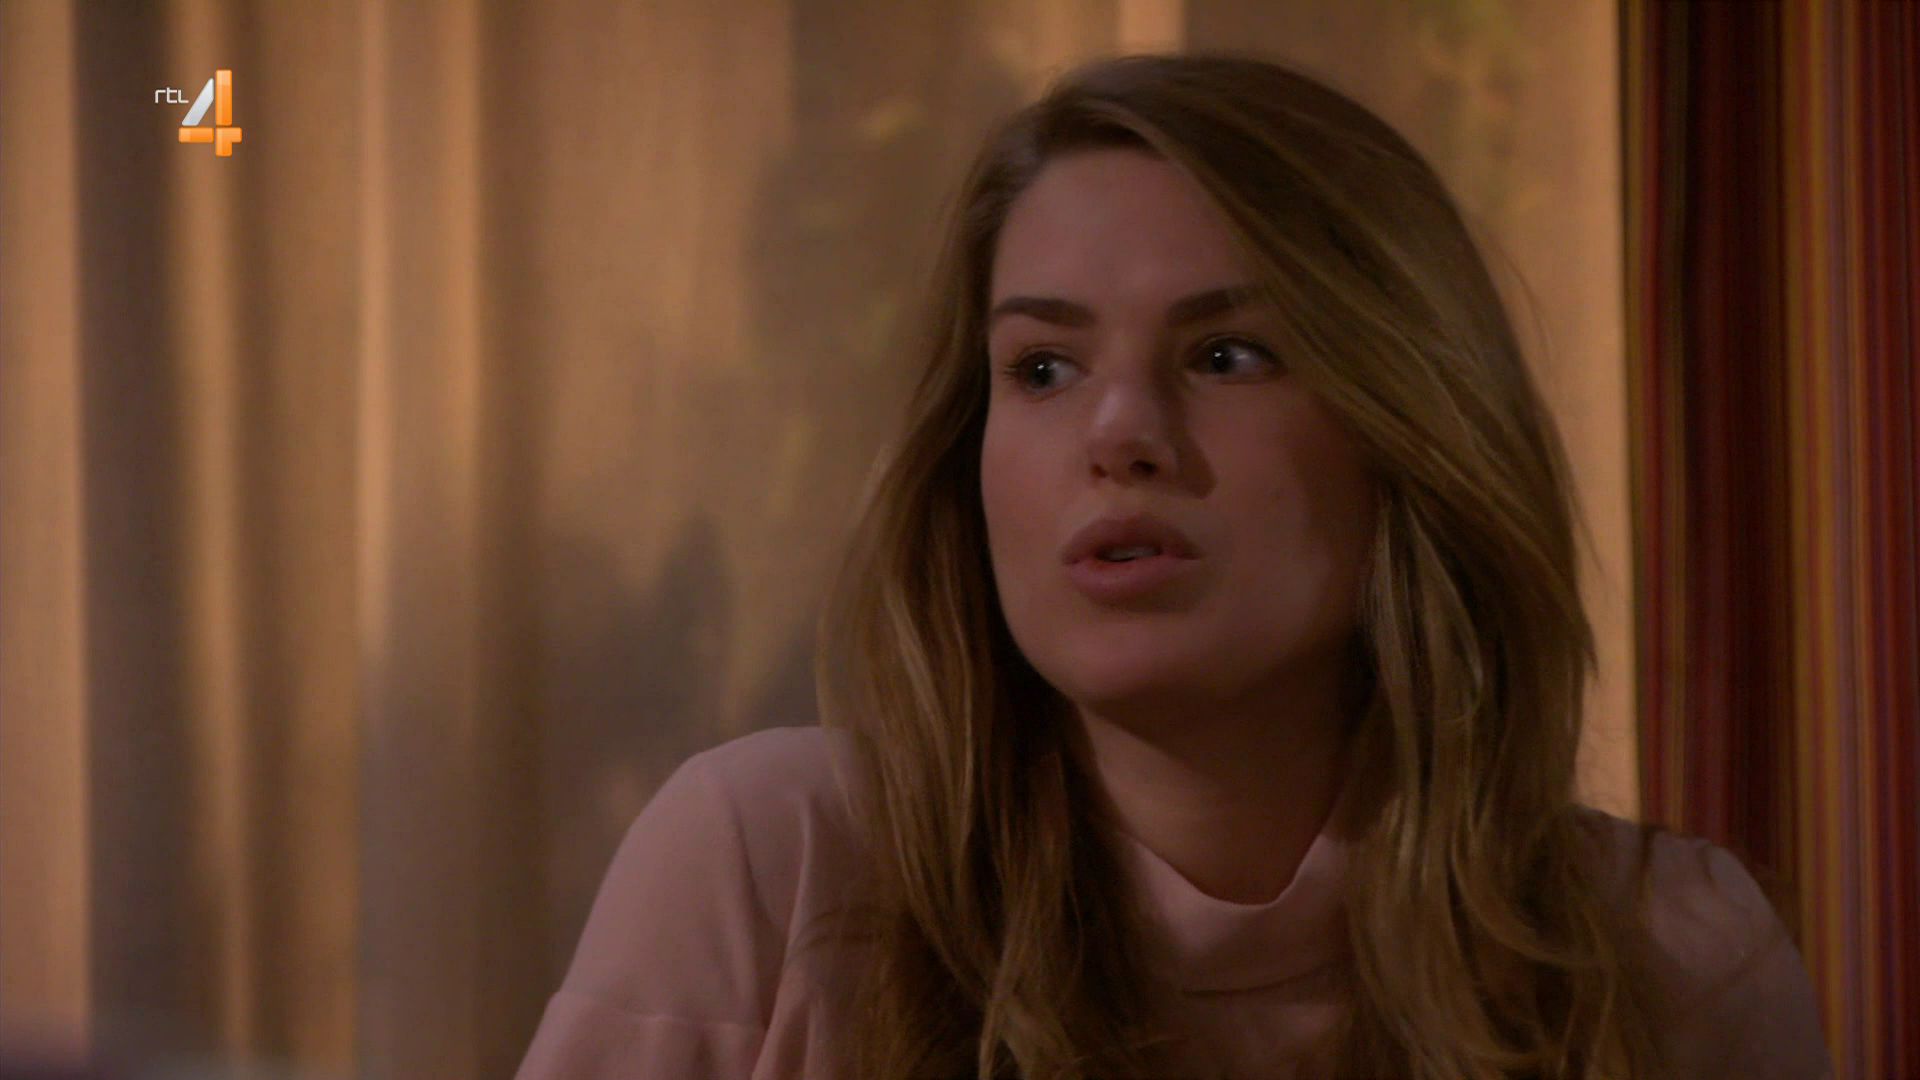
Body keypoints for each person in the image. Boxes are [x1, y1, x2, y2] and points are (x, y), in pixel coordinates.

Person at [515, 53, 1832, 1080]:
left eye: (1226, 356)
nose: (1119, 433)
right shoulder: (776, 865)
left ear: (1412, 430)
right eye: (1043, 367)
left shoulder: (1671, 954)